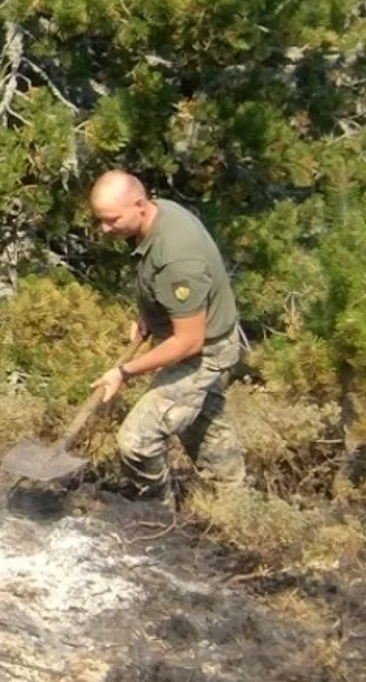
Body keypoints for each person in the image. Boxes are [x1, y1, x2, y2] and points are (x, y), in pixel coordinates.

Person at [87, 170, 247, 504]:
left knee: (136, 440)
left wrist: (123, 373)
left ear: (140, 205)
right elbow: (159, 282)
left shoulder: (177, 257)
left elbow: (188, 342)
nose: (105, 229)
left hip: (205, 351)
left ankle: (157, 510)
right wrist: (150, 314)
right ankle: (234, 502)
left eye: (112, 220)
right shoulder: (158, 215)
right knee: (202, 422)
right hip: (195, 338)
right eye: (100, 220)